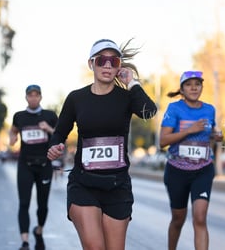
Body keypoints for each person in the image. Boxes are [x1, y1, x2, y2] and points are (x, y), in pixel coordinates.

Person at [47, 38, 157, 250]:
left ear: (119, 67)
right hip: (84, 183)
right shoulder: (76, 98)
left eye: (113, 62)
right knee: (95, 247)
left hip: (117, 186)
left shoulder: (126, 97)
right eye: (102, 60)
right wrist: (55, 145)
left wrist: (131, 83)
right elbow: (60, 131)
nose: (107, 65)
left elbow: (149, 111)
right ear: (91, 64)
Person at [159, 70, 223, 250]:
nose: (194, 88)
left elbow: (210, 133)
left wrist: (216, 136)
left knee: (200, 217)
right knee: (178, 218)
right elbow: (162, 141)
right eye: (189, 84)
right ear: (182, 89)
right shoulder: (175, 109)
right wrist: (189, 130)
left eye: (197, 84)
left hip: (203, 169)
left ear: (202, 87)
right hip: (177, 171)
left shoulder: (209, 109)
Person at [9, 84, 58, 250]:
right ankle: (25, 242)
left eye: (36, 95)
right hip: (25, 165)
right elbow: (13, 130)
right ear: (26, 97)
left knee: (42, 204)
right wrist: (12, 138)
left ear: (41, 97)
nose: (33, 98)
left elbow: (60, 135)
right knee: (24, 203)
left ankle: (39, 231)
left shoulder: (50, 115)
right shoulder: (19, 116)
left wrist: (48, 128)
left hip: (45, 165)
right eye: (30, 95)